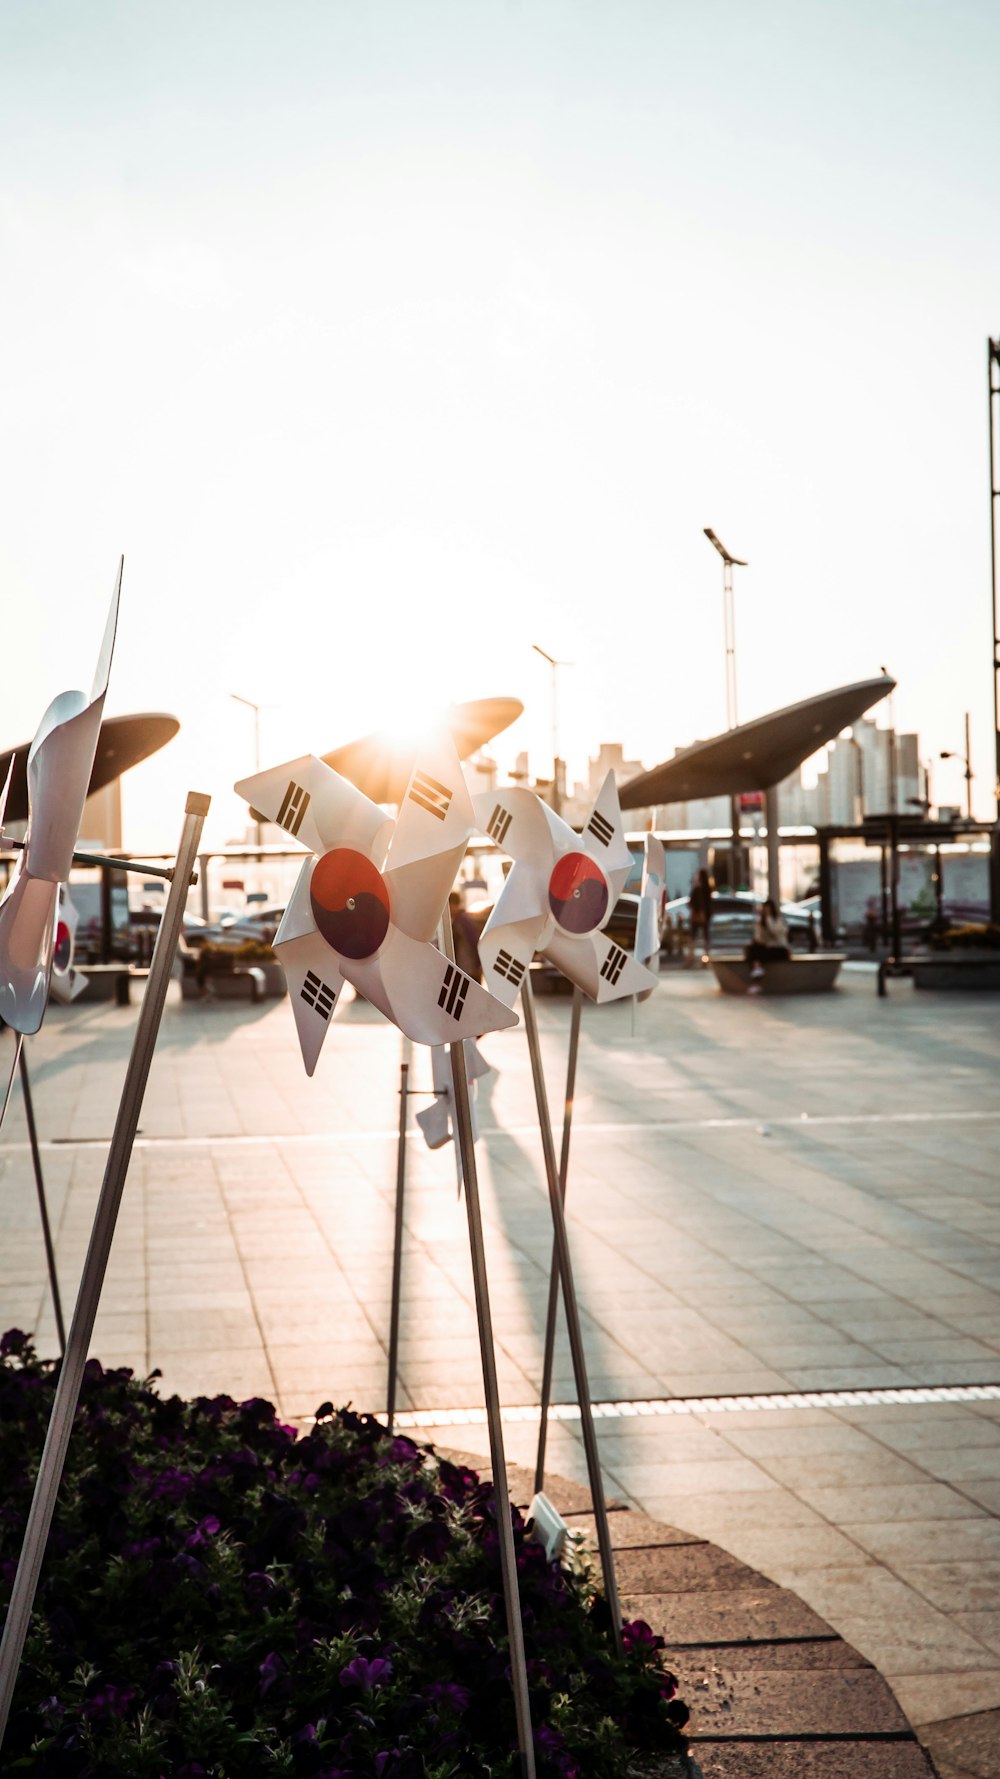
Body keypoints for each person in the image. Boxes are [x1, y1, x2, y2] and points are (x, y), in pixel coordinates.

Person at [745, 898, 790, 993]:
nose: (766, 911)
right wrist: (760, 928)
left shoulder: (779, 920)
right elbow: (760, 939)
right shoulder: (762, 922)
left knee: (757, 954)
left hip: (780, 949)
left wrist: (768, 918)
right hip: (768, 948)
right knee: (751, 949)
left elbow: (775, 933)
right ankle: (757, 970)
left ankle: (756, 978)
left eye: (768, 909)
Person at [688, 868, 714, 963]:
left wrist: (696, 909)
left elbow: (691, 902)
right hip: (705, 916)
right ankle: (706, 956)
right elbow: (710, 903)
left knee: (693, 936)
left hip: (697, 916)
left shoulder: (697, 889)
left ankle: (691, 956)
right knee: (706, 937)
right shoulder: (708, 889)